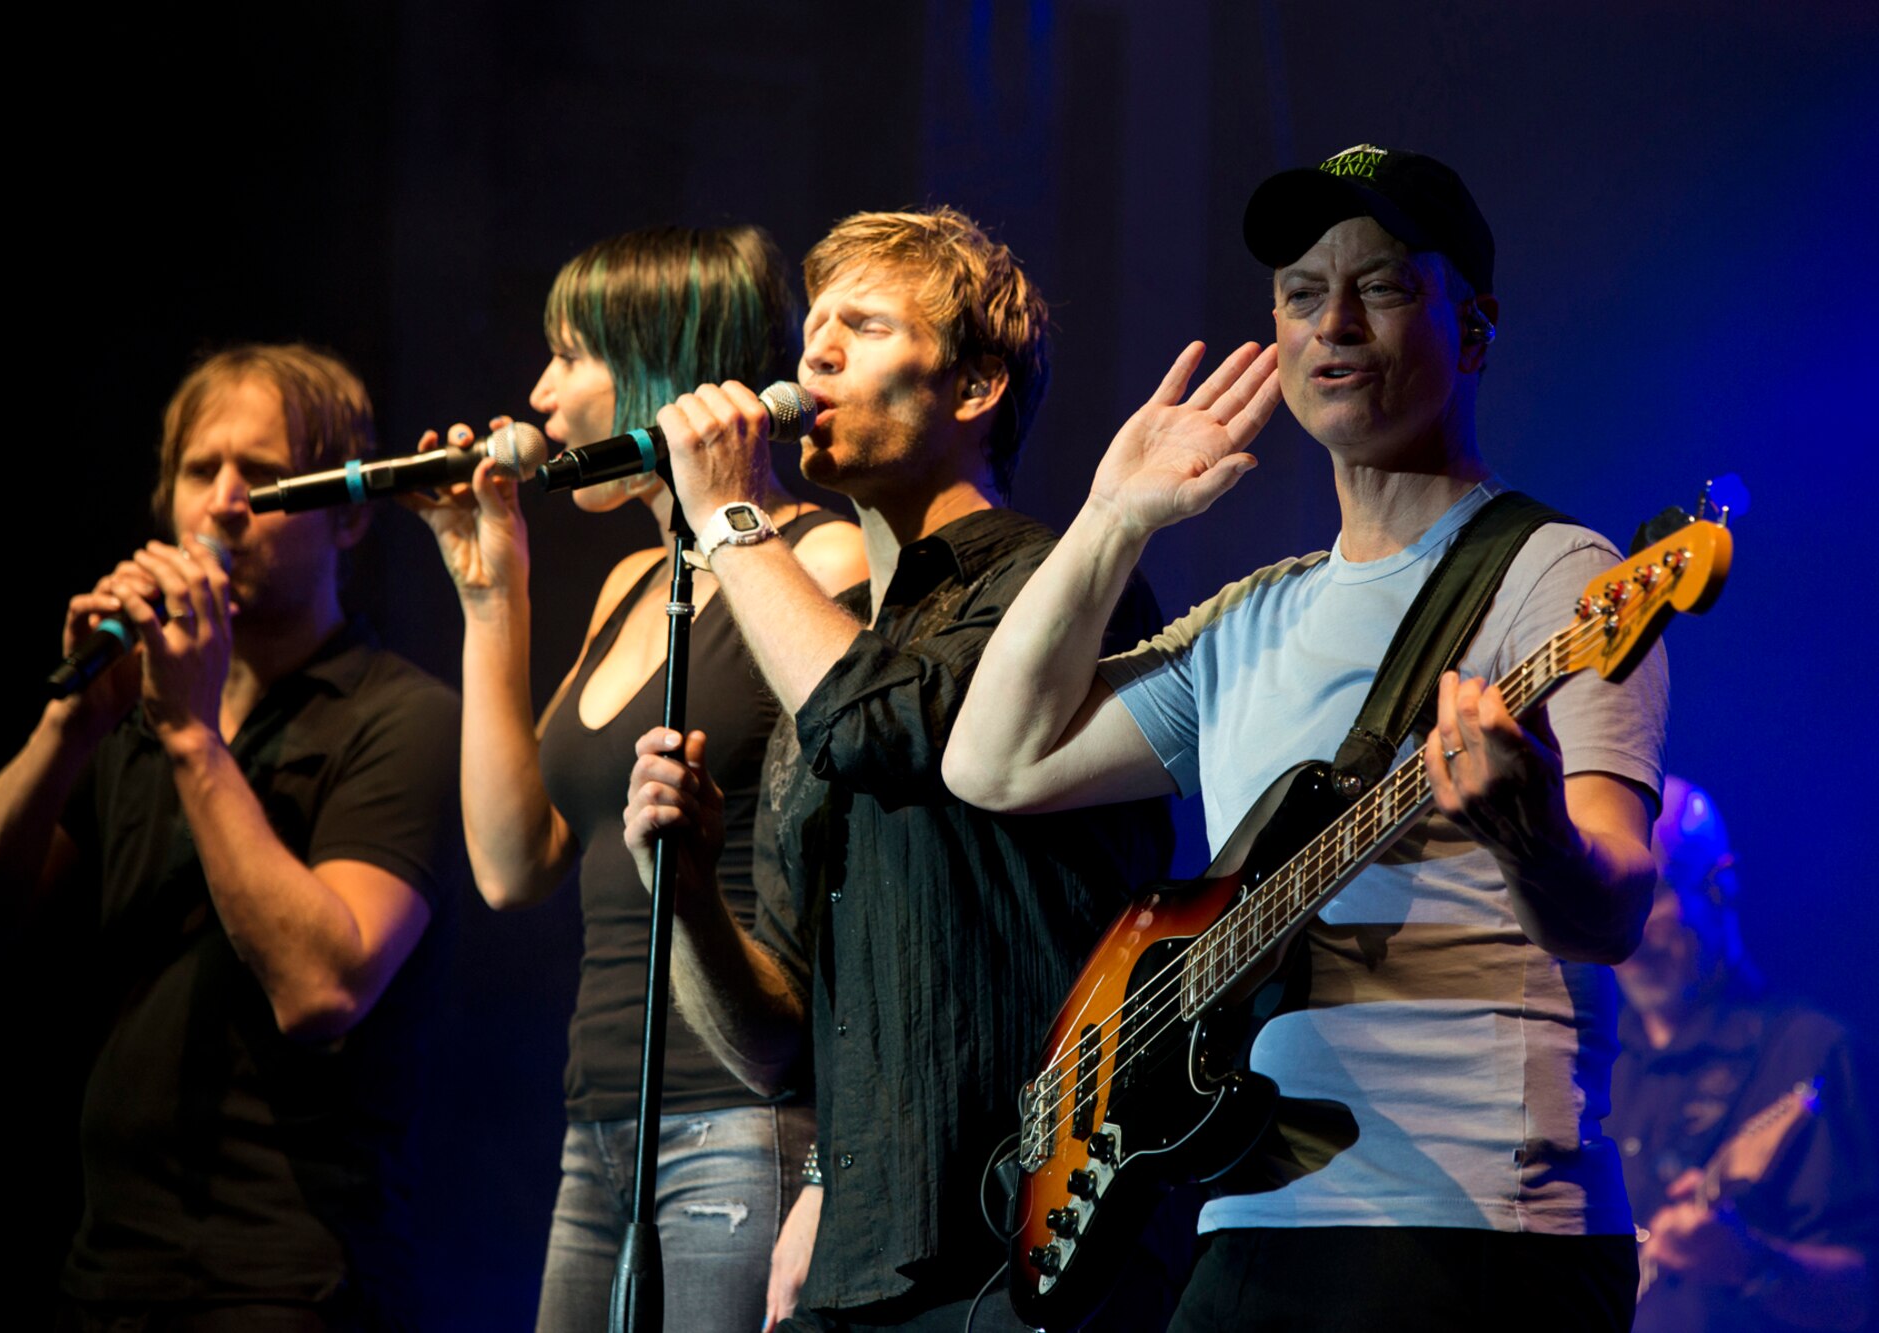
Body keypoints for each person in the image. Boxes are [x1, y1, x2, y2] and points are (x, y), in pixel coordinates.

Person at [943, 144, 1670, 1330]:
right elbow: (992, 762)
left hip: (1471, 1223)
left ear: (1472, 329)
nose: (1331, 321)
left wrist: (1527, 832)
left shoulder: (1560, 574)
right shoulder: (1249, 616)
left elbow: (1611, 911)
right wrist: (1113, 518)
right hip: (1248, 1218)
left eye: (1380, 286)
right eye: (1298, 292)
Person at [620, 207, 1174, 1331]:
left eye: (860, 326)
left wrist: (730, 516)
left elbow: (875, 718)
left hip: (1037, 1243)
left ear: (972, 389)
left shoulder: (1054, 586)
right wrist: (681, 900)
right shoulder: (828, 647)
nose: (812, 353)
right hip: (867, 1257)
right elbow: (777, 1043)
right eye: (811, 325)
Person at [0, 344, 463, 1330]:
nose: (221, 502)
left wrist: (191, 736)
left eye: (259, 476)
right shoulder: (139, 713)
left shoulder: (401, 717)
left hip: (290, 1280)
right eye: (197, 472)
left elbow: (322, 987)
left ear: (344, 515)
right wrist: (69, 726)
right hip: (108, 1268)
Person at [411, 224, 866, 1333]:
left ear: (669, 366)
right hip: (599, 1120)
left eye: (574, 355)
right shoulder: (630, 580)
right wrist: (490, 597)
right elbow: (512, 864)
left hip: (743, 1118)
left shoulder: (824, 563)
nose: (541, 394)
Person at [1613, 775, 1875, 1332]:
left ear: (1719, 884)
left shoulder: (1811, 1051)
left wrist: (1750, 1263)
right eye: (1613, 900)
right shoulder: (1587, 1058)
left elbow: (1864, 1295)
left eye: (1651, 895)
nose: (1628, 932)